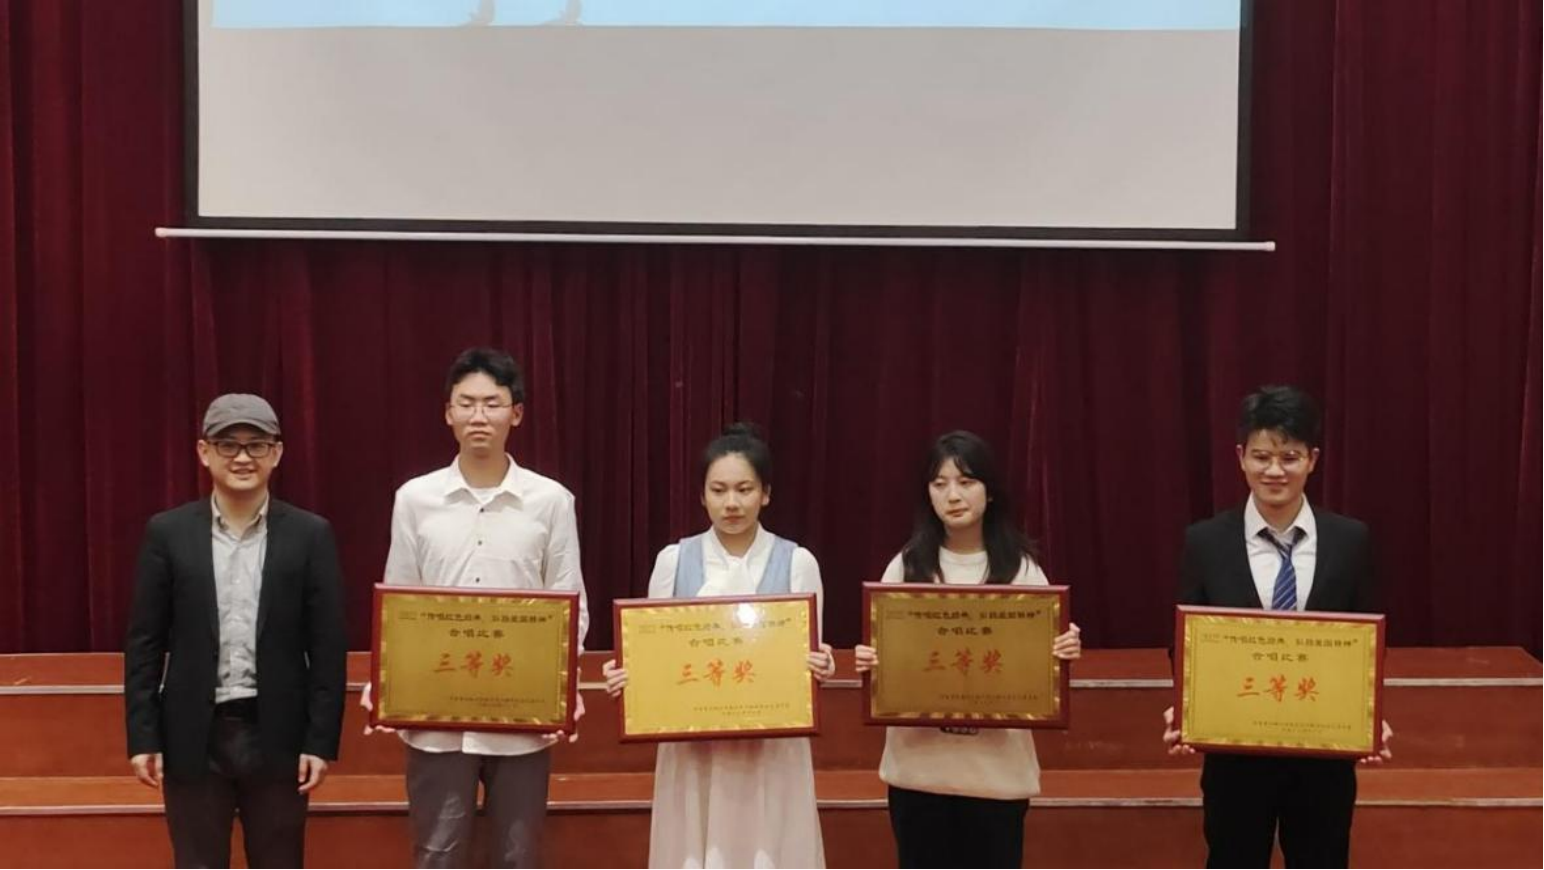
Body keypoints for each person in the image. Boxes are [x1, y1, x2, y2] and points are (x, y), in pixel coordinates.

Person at [362, 346, 589, 869]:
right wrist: (389, 680)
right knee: (437, 854)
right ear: (448, 413)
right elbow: (400, 599)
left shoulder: (551, 501)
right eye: (466, 403)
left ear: (517, 413)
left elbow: (569, 600)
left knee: (518, 856)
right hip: (437, 718)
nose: (478, 416)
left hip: (524, 718)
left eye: (492, 403)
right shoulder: (415, 498)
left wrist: (563, 686)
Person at [1163, 384, 1392, 869]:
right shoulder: (1205, 542)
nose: (1274, 471)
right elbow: (1185, 642)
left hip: (1323, 756)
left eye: (1289, 457)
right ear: (1240, 457)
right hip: (1235, 755)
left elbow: (1367, 641)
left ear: (1312, 460)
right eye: (1262, 456)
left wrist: (1369, 714)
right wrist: (1187, 707)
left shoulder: (1350, 540)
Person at [124, 393, 347, 869]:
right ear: (204, 452)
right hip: (192, 737)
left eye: (256, 445)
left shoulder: (310, 535)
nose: (243, 457)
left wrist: (320, 742)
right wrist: (143, 736)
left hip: (279, 736)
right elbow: (144, 643)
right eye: (228, 445)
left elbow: (328, 648)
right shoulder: (168, 533)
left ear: (277, 453)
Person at [601, 422, 835, 868]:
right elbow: (651, 652)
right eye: (719, 490)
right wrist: (629, 677)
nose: (731, 503)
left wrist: (819, 667)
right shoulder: (673, 561)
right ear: (701, 495)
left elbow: (809, 655)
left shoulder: (798, 562)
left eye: (744, 489)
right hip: (694, 746)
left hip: (772, 747)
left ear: (766, 494)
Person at [855, 430, 1081, 870]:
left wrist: (1060, 650)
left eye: (966, 481)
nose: (953, 495)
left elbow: (1039, 667)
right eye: (939, 484)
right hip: (919, 776)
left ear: (990, 491)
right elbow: (886, 657)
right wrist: (872, 663)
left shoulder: (1022, 571)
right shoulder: (906, 566)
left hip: (997, 778)